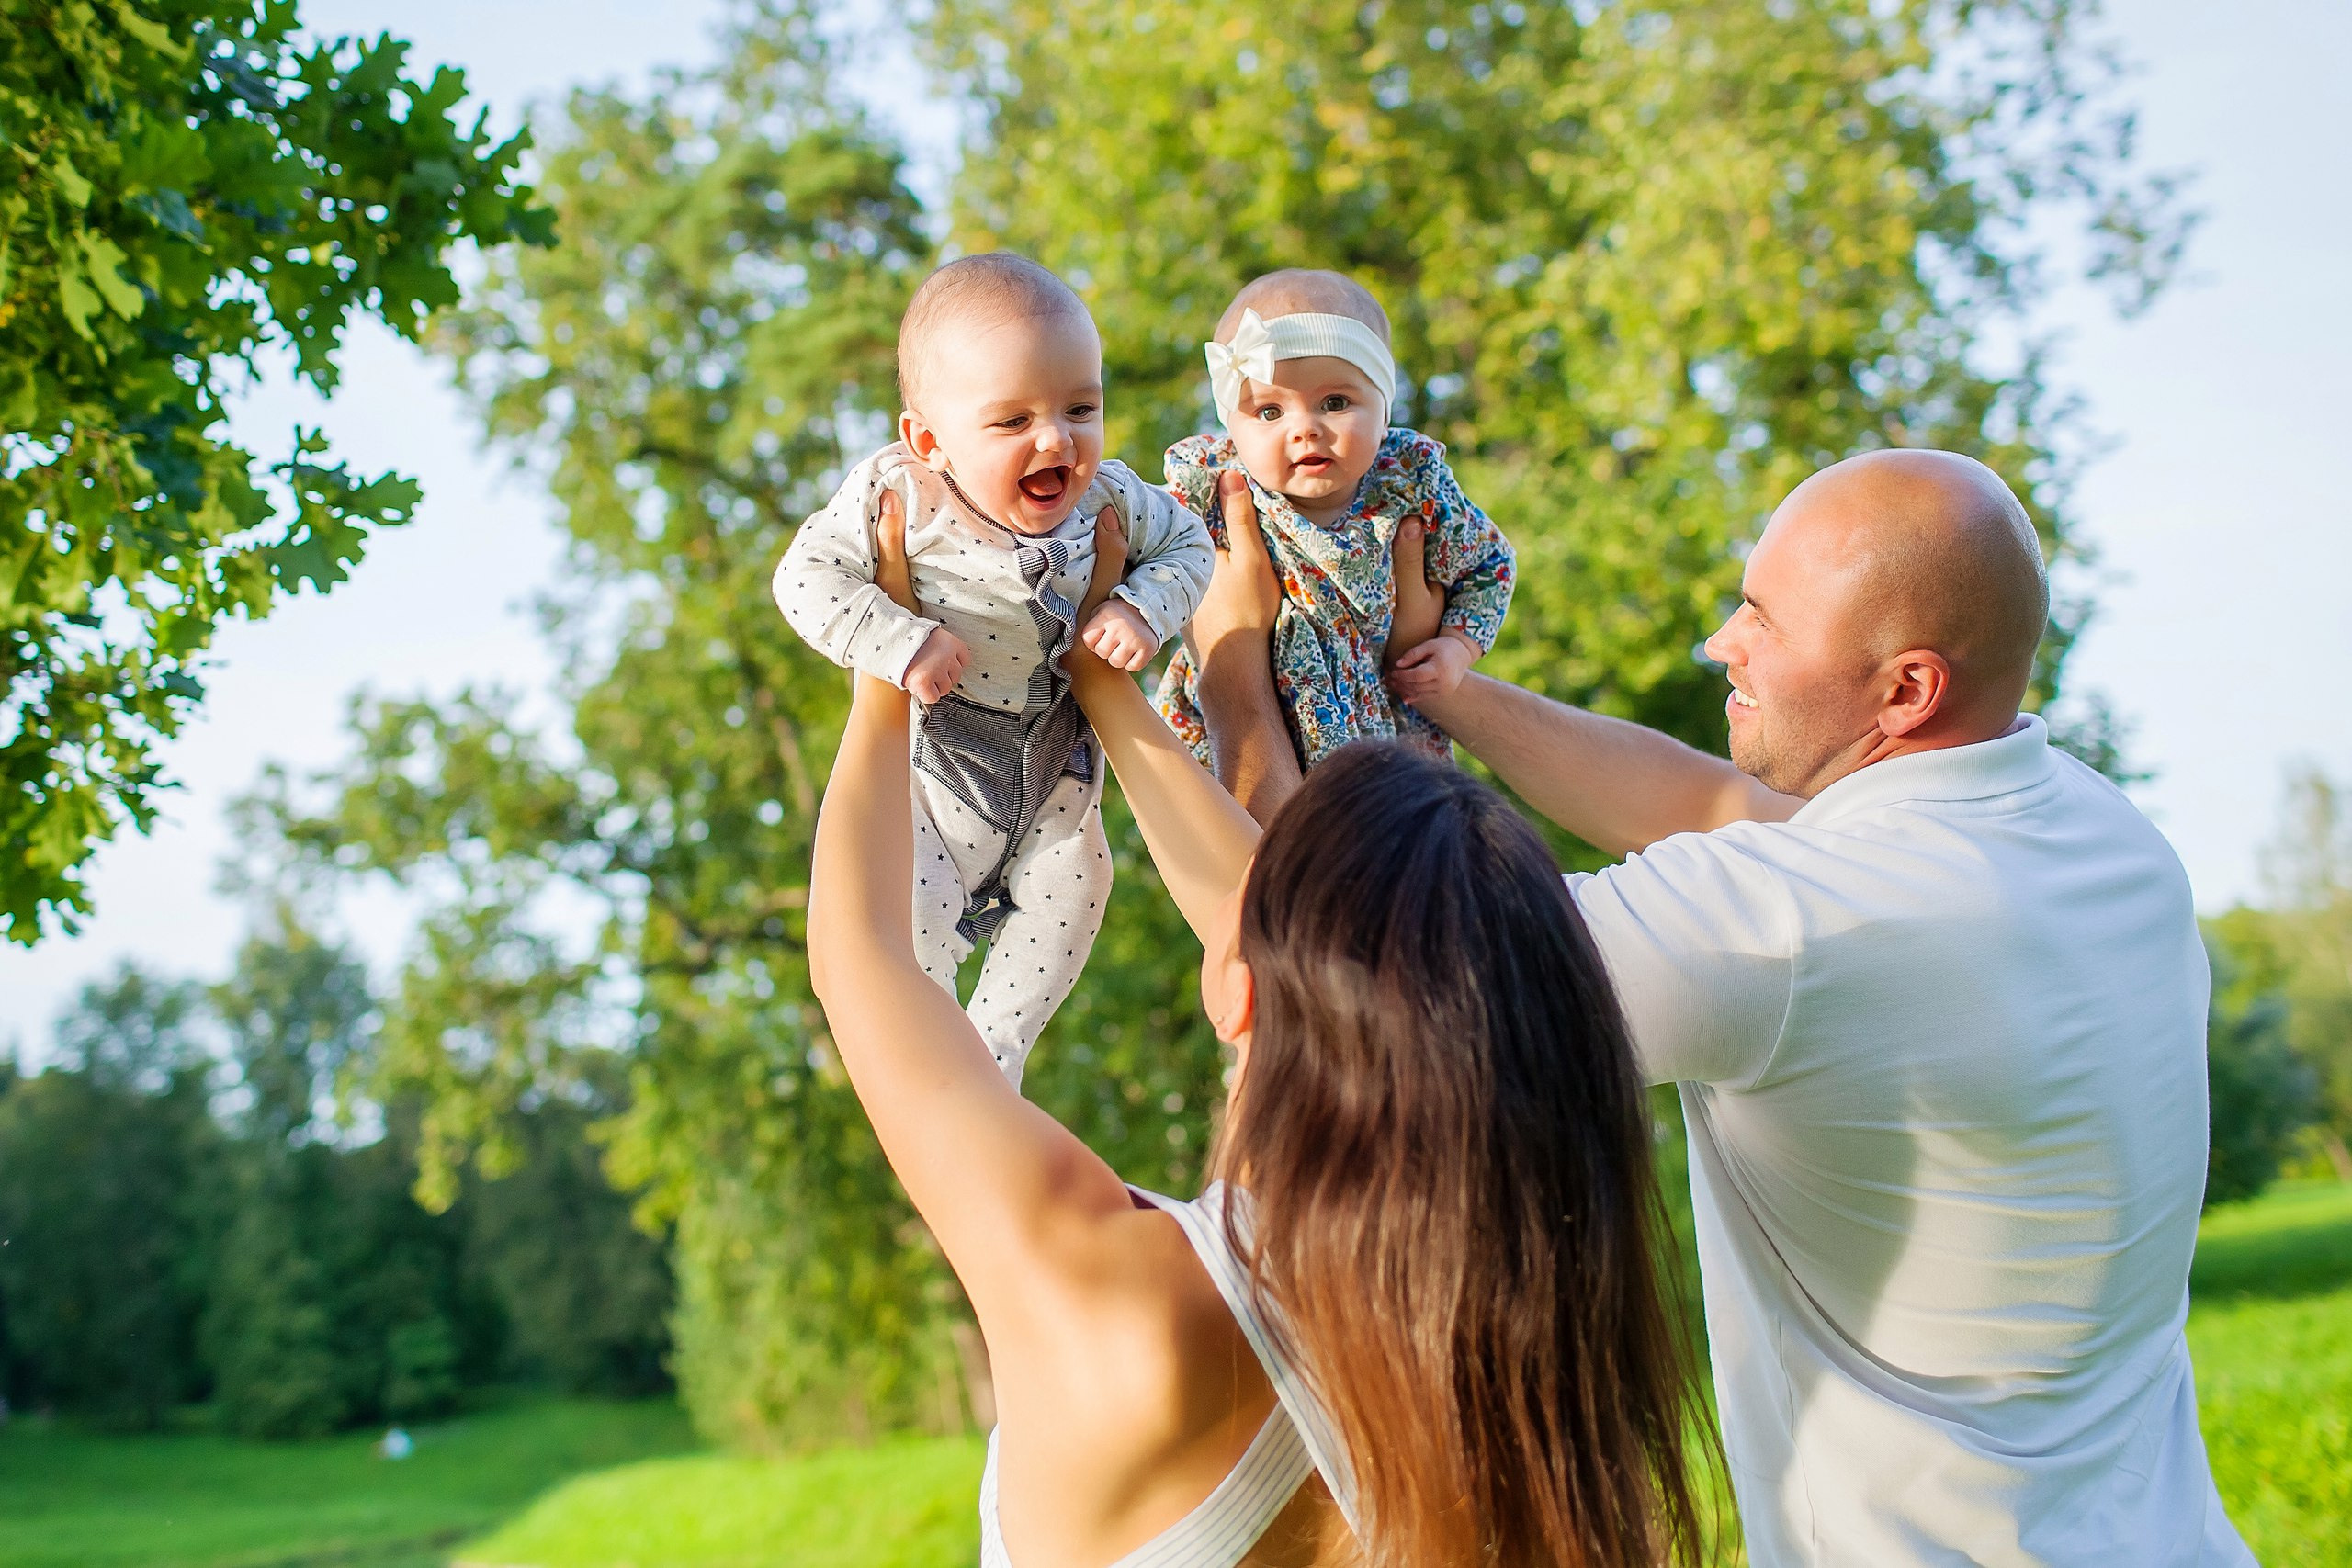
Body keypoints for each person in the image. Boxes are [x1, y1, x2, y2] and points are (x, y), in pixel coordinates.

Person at [1186, 448, 2254, 1565]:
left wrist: (1228, 670)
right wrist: (1435, 682)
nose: (1720, 644)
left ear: (1906, 690)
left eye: (1763, 621)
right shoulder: (2099, 831)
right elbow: (1717, 804)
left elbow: (1322, 957)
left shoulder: (1793, 925)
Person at [804, 497, 1708, 1567]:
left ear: (1234, 990)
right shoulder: (1549, 1406)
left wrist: (884, 661)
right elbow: (1319, 948)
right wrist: (1110, 688)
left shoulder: (1124, 1304)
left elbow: (867, 956)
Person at [774, 253, 1211, 1087]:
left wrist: (1139, 609)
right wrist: (897, 639)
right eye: (1012, 422)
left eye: (1082, 407)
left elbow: (1191, 547)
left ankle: (996, 1058)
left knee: (1077, 889)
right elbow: (803, 579)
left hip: (1056, 785)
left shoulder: (1111, 501)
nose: (1057, 439)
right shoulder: (899, 497)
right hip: (943, 785)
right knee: (917, 923)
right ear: (929, 440)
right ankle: (936, 1070)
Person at [1154, 268, 1514, 771]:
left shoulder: (1409, 485)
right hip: (1248, 720)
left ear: (1385, 413)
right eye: (1270, 412)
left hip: (1381, 729)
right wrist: (1131, 610)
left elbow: (1490, 565)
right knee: (1233, 829)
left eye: (1336, 403)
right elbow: (1144, 545)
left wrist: (1456, 648)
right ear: (1231, 427)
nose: (1305, 429)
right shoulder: (1213, 487)